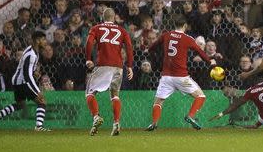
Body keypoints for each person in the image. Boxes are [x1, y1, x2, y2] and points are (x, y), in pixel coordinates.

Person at [145, 15, 217, 131]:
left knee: (158, 102)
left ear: (175, 25)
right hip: (181, 77)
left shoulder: (166, 35)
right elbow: (200, 52)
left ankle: (154, 123)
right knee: (200, 96)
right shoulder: (188, 39)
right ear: (185, 26)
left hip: (166, 77)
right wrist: (210, 62)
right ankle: (191, 116)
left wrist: (152, 52)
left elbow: (152, 47)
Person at [85, 8, 134, 136]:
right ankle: (116, 123)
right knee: (115, 95)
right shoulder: (122, 30)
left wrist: (88, 59)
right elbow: (129, 46)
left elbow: (89, 42)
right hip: (118, 66)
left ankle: (96, 117)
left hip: (103, 65)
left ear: (103, 17)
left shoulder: (96, 28)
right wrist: (130, 66)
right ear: (114, 18)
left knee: (90, 93)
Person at [0, 31, 51, 131]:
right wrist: (37, 91)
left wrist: (34, 72)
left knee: (20, 104)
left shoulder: (32, 50)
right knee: (42, 101)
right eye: (43, 39)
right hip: (23, 82)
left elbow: (26, 69)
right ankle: (39, 127)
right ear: (37, 40)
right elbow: (27, 76)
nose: (46, 42)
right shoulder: (32, 55)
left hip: (17, 81)